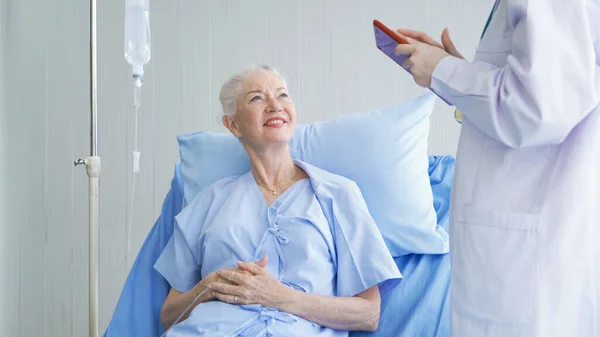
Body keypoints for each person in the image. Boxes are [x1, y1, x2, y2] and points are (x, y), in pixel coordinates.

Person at [394, 1, 600, 336]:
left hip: (532, 252)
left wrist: (444, 71)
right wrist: (454, 73)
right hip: (533, 245)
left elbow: (538, 109)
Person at [153, 65, 402, 336]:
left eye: (282, 95)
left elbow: (368, 314)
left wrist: (279, 297)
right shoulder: (209, 202)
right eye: (257, 98)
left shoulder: (337, 194)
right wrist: (209, 287)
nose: (275, 105)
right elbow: (168, 316)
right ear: (233, 124)